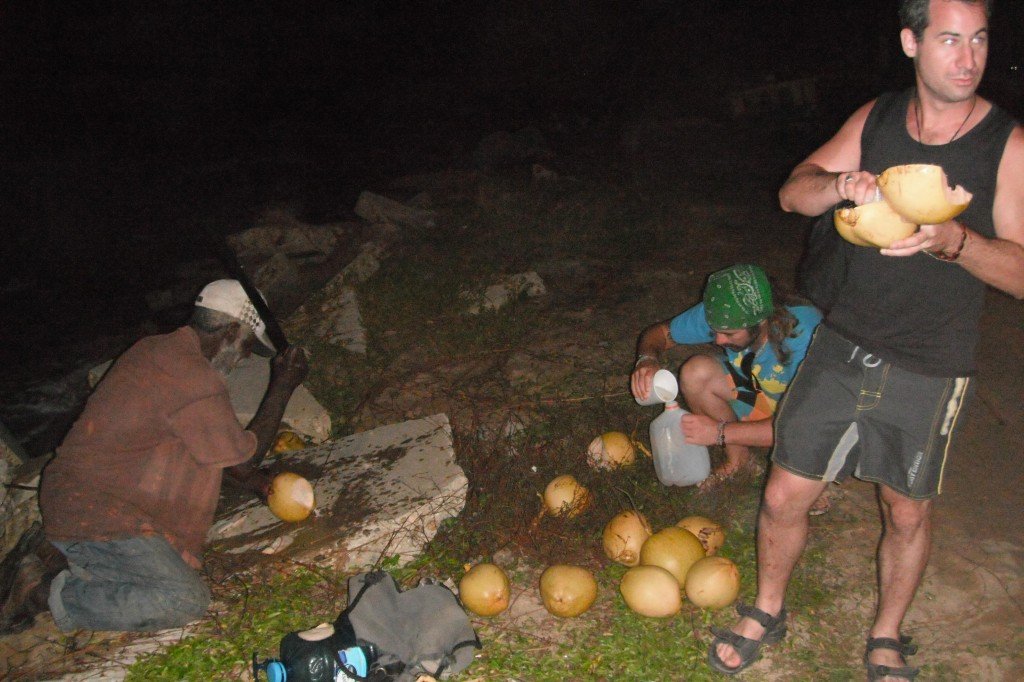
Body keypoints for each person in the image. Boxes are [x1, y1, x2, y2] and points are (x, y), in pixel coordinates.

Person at [708, 1, 1023, 678]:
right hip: (842, 339)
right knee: (784, 494)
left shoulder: (1007, 144)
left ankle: (885, 632)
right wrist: (838, 186)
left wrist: (957, 241)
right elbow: (793, 193)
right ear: (911, 42)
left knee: (905, 512)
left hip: (932, 363)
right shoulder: (876, 119)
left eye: (979, 40)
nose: (967, 57)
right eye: (948, 40)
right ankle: (767, 608)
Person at [0, 279, 309, 634]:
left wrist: (259, 486)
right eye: (248, 347)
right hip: (97, 509)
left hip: (89, 497)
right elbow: (243, 460)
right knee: (183, 599)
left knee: (149, 571)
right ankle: (41, 594)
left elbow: (205, 449)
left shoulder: (159, 351)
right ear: (230, 331)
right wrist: (283, 385)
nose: (243, 358)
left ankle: (67, 556)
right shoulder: (192, 376)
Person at [631, 264, 822, 489]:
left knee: (794, 479)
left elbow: (801, 425)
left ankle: (812, 475)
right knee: (696, 372)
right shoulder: (723, 312)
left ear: (762, 322)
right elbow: (659, 334)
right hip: (761, 395)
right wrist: (647, 360)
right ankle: (740, 462)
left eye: (729, 334)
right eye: (715, 330)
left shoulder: (805, 334)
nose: (719, 341)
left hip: (812, 416)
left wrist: (718, 433)